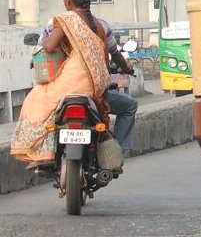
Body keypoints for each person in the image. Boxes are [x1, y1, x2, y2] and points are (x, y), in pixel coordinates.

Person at [9, 0, 112, 167]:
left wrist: (50, 39)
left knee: (37, 101)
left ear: (67, 1)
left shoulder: (66, 19)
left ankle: (42, 154)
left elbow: (48, 47)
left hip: (74, 80)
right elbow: (106, 59)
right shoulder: (97, 24)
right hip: (94, 85)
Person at [42, 14, 139, 154]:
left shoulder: (57, 23)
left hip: (62, 90)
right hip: (92, 91)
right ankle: (118, 150)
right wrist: (125, 69)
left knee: (39, 112)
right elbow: (114, 54)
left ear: (68, 2)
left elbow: (45, 48)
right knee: (130, 105)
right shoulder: (100, 26)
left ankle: (43, 152)